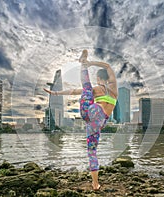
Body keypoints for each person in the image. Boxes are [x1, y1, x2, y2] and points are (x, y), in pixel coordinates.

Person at [43, 49, 118, 190]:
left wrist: (55, 93)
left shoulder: (95, 89)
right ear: (108, 79)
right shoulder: (114, 90)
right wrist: (93, 63)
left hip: (89, 112)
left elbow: (73, 91)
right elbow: (108, 66)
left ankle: (83, 64)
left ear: (98, 79)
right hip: (100, 121)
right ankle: (96, 184)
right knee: (92, 151)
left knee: (86, 87)